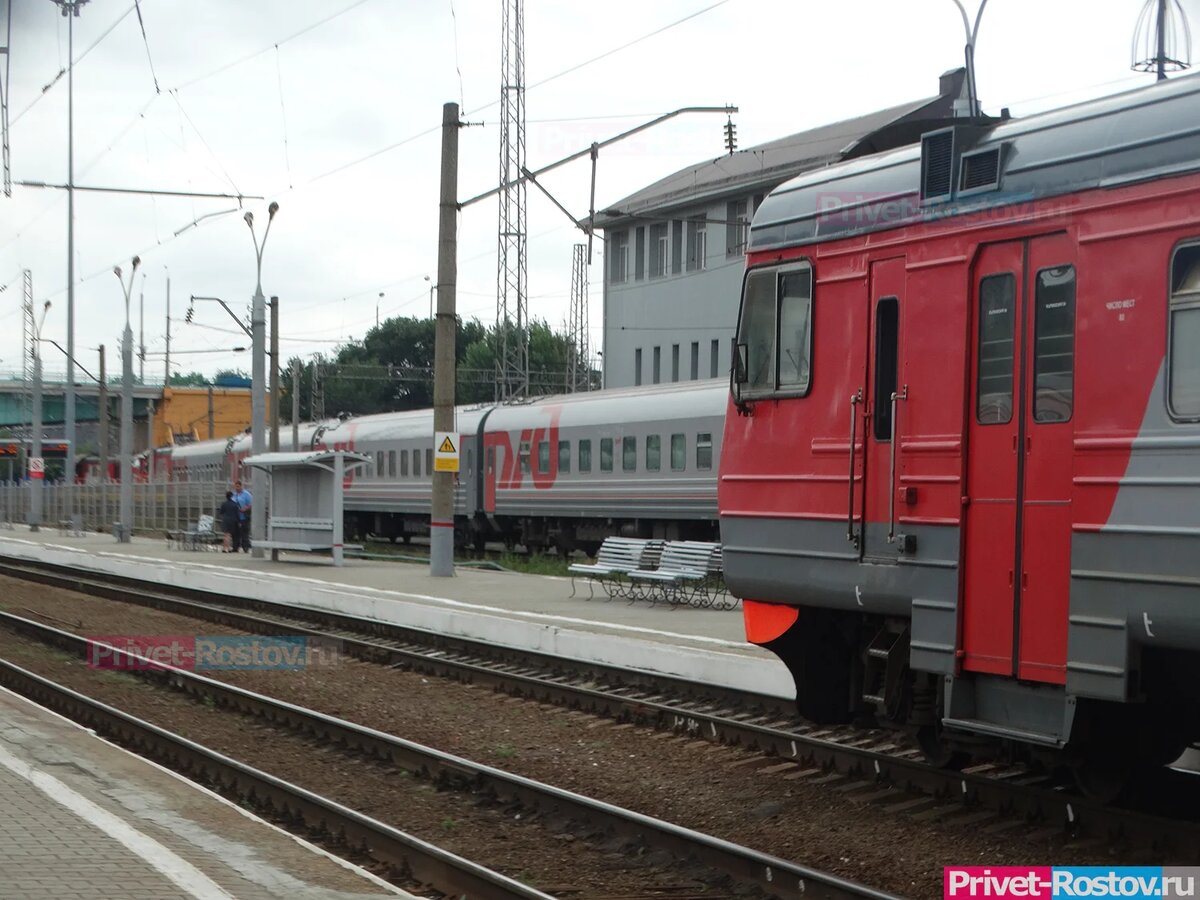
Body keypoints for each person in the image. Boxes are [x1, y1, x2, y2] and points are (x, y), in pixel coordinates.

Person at [232, 479, 253, 552]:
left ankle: (245, 547)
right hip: (236, 516)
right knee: (235, 532)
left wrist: (245, 508)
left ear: (241, 486)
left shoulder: (246, 494)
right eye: (236, 487)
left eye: (238, 487)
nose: (237, 488)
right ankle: (235, 547)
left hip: (244, 516)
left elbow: (250, 504)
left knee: (244, 532)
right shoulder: (234, 494)